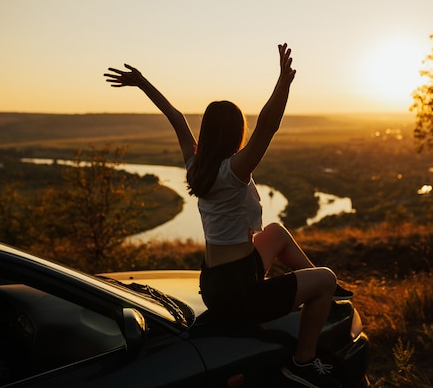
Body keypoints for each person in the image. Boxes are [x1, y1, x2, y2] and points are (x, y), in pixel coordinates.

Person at [104, 43, 352, 388]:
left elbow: (175, 117)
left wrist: (142, 82)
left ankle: (326, 292)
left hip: (217, 281)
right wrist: (283, 83)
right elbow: (267, 128)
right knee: (323, 277)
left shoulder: (197, 166)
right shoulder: (232, 172)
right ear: (236, 133)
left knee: (277, 233)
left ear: (207, 132)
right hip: (240, 291)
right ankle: (303, 361)